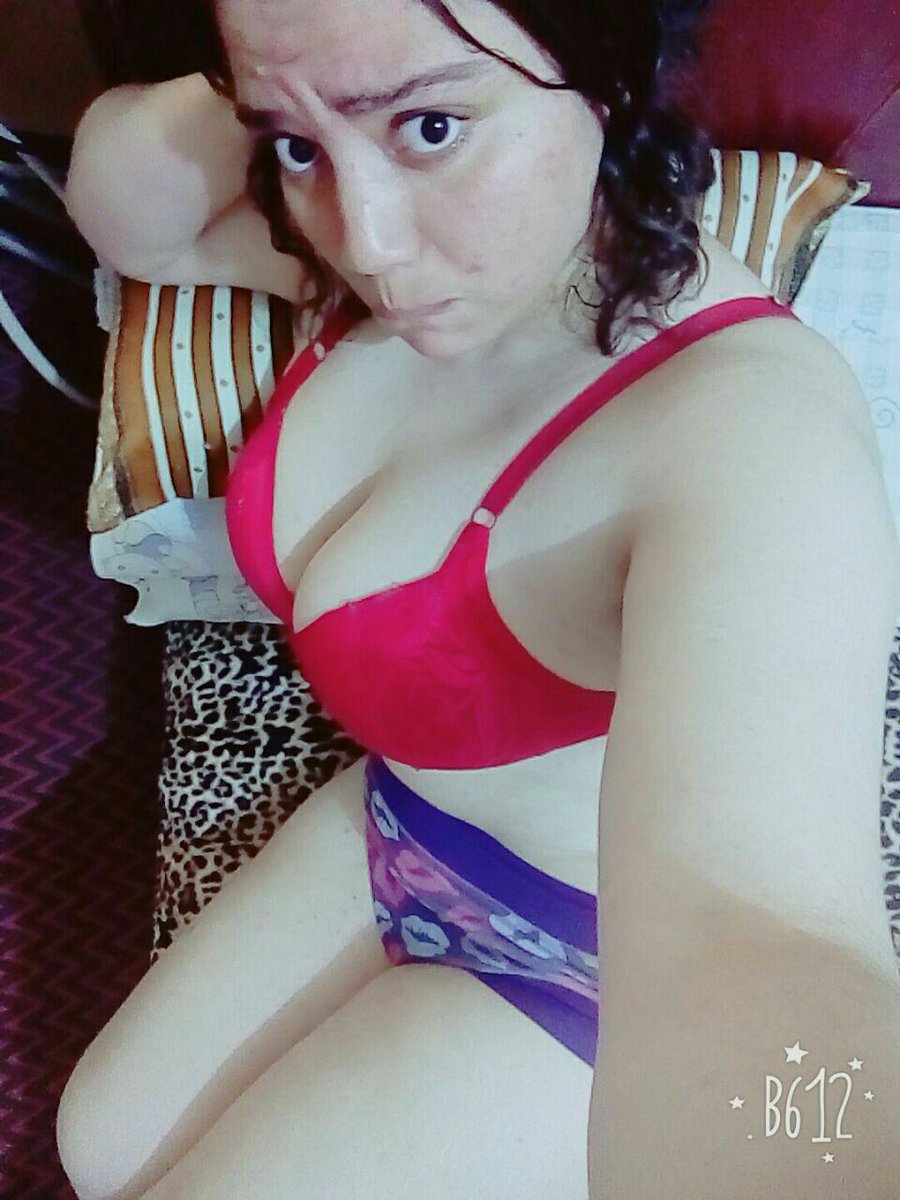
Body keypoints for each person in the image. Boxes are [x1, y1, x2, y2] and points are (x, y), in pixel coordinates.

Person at [56, 2, 900, 1198]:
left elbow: (764, 932)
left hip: (588, 968)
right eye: (295, 147)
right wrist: (308, 69)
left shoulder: (753, 432)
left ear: (606, 68)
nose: (370, 241)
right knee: (100, 1151)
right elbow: (126, 210)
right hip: (402, 822)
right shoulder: (385, 261)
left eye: (433, 126)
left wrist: (811, 1136)